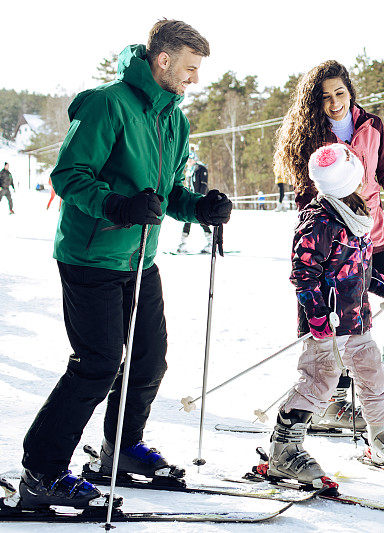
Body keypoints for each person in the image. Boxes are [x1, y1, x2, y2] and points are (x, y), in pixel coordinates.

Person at [16, 20, 232, 511]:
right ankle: (42, 471)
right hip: (91, 254)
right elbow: (68, 175)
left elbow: (168, 193)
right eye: (190, 69)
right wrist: (116, 206)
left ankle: (121, 448)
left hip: (141, 258)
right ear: (162, 61)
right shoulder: (106, 103)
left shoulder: (173, 120)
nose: (194, 79)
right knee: (98, 364)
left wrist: (198, 208)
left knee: (150, 359)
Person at [274, 60, 384, 426]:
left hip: (375, 235)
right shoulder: (310, 136)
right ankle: (332, 398)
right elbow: (307, 195)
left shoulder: (372, 126)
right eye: (324, 97)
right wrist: (325, 240)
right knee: (339, 316)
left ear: (350, 90)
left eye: (339, 92)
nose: (334, 102)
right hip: (334, 242)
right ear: (314, 102)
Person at [265, 143, 384, 490]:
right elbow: (303, 275)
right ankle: (283, 450)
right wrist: (318, 317)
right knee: (320, 381)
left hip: (356, 319)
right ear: (349, 177)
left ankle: (381, 436)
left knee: (375, 377)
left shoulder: (353, 210)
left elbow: (359, 270)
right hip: (327, 324)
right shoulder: (318, 220)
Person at [176, 154, 213, 253]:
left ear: (194, 159)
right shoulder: (190, 170)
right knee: (187, 220)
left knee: (202, 220)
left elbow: (203, 185)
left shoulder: (201, 169)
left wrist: (201, 198)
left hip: (199, 200)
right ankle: (182, 244)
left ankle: (212, 243)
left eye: (190, 159)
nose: (188, 161)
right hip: (191, 200)